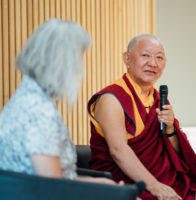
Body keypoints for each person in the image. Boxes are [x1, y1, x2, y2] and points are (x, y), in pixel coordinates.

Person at [87, 34, 196, 199]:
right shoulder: (112, 98)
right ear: (126, 59)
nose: (153, 63)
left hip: (167, 180)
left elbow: (175, 152)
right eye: (145, 55)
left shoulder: (157, 99)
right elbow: (118, 151)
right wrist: (155, 186)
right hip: (126, 181)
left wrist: (170, 129)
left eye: (159, 57)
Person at [0, 19, 115, 185]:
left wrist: (101, 184)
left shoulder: (23, 98)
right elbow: (53, 188)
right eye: (79, 58)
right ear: (63, 63)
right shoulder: (39, 112)